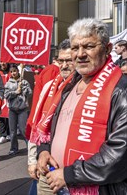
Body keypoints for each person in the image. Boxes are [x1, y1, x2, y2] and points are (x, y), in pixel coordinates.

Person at [36, 18, 127, 194]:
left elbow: (120, 156)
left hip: (93, 188)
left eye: (89, 47)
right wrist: (43, 151)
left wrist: (69, 175)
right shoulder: (69, 84)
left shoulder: (121, 90)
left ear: (107, 49)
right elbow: (52, 129)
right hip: (55, 179)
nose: (80, 54)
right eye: (75, 48)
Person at [27, 39, 74, 195]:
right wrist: (34, 159)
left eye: (69, 60)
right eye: (61, 60)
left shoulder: (87, 88)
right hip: (48, 165)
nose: (64, 65)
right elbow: (38, 124)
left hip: (73, 171)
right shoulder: (49, 87)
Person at [4, 65, 32, 156]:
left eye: (14, 71)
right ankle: (14, 148)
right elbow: (6, 95)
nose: (13, 73)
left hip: (22, 109)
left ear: (18, 71)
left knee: (23, 130)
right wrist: (16, 92)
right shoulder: (8, 83)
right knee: (12, 131)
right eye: (11, 71)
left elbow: (30, 93)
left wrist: (24, 89)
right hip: (12, 110)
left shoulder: (24, 81)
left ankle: (30, 147)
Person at [0, 62, 11, 144]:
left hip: (9, 96)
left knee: (8, 115)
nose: (3, 64)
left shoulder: (11, 71)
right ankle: (2, 135)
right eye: (1, 62)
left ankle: (8, 133)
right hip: (0, 96)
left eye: (4, 62)